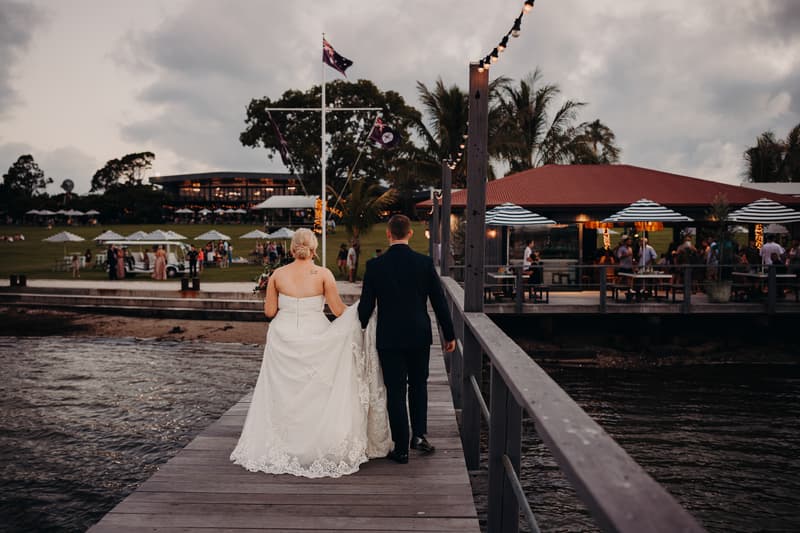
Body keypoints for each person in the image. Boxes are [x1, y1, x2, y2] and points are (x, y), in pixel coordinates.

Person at [230, 228, 392, 477]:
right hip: (316, 333)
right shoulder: (324, 274)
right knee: (316, 390)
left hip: (283, 337)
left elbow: (270, 312)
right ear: (313, 248)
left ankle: (283, 442)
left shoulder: (277, 274)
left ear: (293, 248)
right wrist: (366, 311)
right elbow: (339, 311)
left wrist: (268, 293)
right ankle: (314, 441)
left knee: (283, 392)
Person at [358, 215, 456, 464]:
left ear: (388, 234)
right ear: (410, 234)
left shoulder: (375, 266)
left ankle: (401, 448)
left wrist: (357, 329)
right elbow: (439, 302)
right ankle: (419, 436)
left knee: (396, 390)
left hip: (389, 338)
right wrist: (449, 333)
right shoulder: (424, 263)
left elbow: (365, 308)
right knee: (419, 385)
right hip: (418, 335)